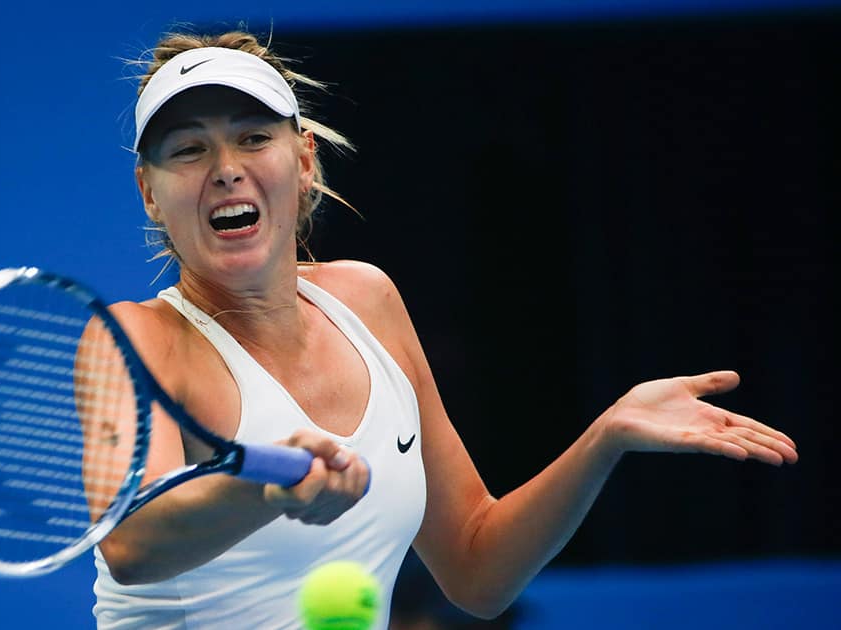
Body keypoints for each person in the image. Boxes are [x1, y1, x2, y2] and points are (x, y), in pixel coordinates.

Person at [90, 29, 798, 629]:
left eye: (252, 139)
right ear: (148, 191)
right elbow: (130, 542)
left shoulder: (368, 300)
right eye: (188, 150)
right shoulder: (132, 342)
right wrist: (261, 487)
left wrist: (604, 438)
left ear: (303, 163)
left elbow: (477, 567)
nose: (225, 170)